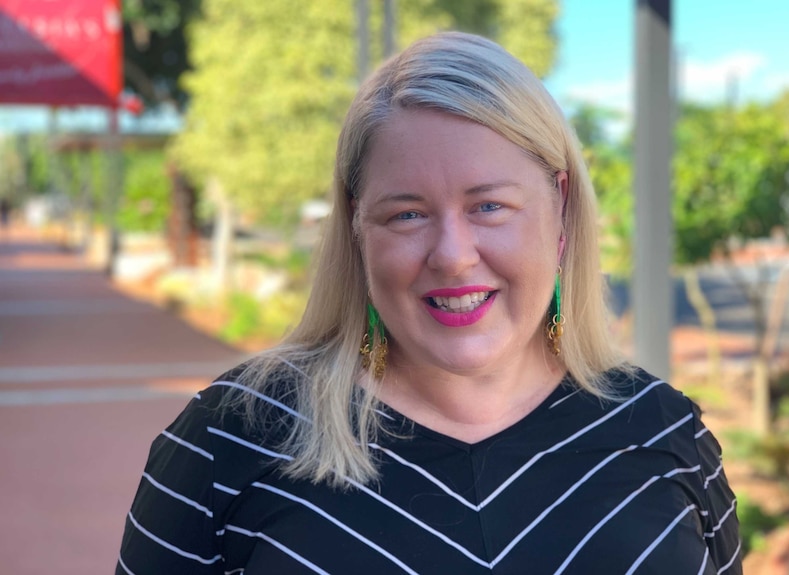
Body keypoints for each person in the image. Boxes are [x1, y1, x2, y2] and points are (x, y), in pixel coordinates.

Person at [117, 32, 741, 574]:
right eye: (407, 213)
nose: (452, 254)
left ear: (560, 209)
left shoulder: (664, 433)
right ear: (358, 229)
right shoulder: (230, 441)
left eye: (489, 206)